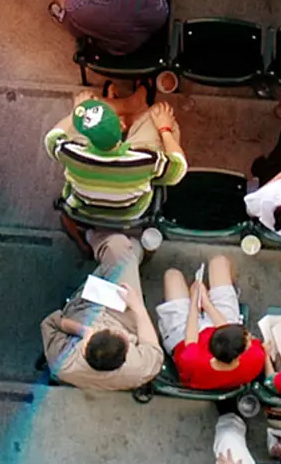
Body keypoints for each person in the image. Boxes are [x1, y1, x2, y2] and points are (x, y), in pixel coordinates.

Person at [40, 228, 164, 391]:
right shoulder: (140, 368)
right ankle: (124, 249)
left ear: (85, 346)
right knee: (121, 250)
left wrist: (83, 330)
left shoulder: (63, 363)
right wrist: (138, 307)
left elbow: (51, 324)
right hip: (123, 319)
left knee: (121, 253)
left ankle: (96, 239)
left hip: (84, 312)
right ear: (128, 349)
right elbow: (153, 348)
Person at [45, 93, 186, 227]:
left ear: (86, 137)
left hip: (85, 209)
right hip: (130, 213)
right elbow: (178, 168)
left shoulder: (70, 152)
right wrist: (165, 129)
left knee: (86, 104)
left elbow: (52, 137)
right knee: (159, 111)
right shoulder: (146, 161)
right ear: (121, 126)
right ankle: (133, 111)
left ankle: (126, 106)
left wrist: (74, 113)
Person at [156, 254, 267, 391]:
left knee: (172, 276)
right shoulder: (255, 357)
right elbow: (226, 328)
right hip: (213, 326)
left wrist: (195, 302)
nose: (250, 336)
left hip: (181, 339)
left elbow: (191, 338)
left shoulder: (191, 360)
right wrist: (206, 303)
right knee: (220, 262)